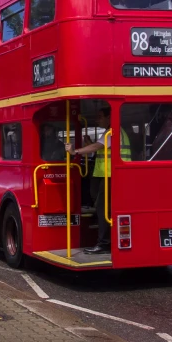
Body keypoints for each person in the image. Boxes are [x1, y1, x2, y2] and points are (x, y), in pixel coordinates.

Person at [65, 107, 131, 255]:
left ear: (109, 117)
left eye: (100, 116)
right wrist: (88, 143)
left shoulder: (111, 132)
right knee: (101, 206)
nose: (97, 119)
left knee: (103, 210)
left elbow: (98, 146)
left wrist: (74, 151)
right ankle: (106, 240)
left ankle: (104, 244)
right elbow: (100, 149)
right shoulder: (113, 132)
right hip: (107, 175)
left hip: (110, 176)